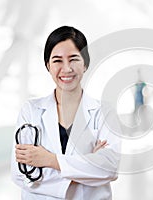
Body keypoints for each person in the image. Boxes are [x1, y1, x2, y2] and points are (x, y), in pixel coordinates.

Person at [11, 26, 121, 200]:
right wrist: (86, 169)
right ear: (48, 65)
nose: (66, 68)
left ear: (85, 63)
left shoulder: (104, 113)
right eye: (57, 61)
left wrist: (49, 160)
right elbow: (20, 174)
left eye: (73, 59)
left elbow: (109, 168)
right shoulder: (31, 111)